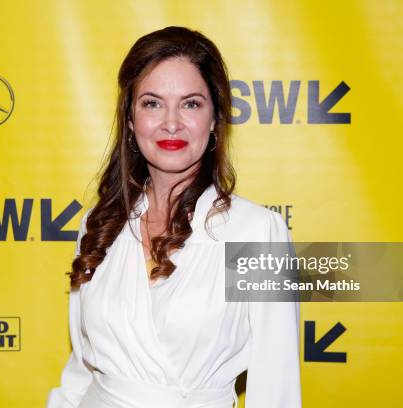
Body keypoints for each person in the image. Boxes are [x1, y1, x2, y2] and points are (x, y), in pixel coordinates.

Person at [47, 26, 301, 408]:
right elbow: (81, 371)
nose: (171, 122)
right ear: (130, 120)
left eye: (191, 104)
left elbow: (275, 385)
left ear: (215, 119)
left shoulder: (257, 231)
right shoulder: (99, 225)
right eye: (152, 103)